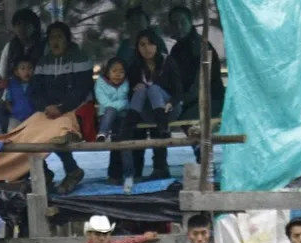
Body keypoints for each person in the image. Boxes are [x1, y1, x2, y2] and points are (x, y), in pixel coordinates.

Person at [33, 22, 94, 194]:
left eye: (59, 37)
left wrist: (61, 108)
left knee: (58, 133)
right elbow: (35, 91)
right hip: (49, 111)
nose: (55, 41)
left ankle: (72, 170)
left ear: (67, 39)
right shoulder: (43, 62)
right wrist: (46, 107)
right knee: (27, 131)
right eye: (52, 37)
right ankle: (43, 173)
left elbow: (81, 90)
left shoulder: (80, 58)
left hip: (75, 109)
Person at [120, 28, 183, 191]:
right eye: (142, 45)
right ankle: (129, 127)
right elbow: (129, 94)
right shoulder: (135, 66)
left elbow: (178, 92)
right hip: (147, 112)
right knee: (141, 90)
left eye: (150, 44)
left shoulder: (168, 61)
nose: (146, 48)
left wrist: (170, 103)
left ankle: (162, 127)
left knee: (154, 89)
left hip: (168, 109)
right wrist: (135, 88)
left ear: (157, 45)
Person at [168, 5, 224, 121]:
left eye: (182, 22)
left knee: (184, 118)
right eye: (174, 23)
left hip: (210, 98)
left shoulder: (200, 46)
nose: (178, 27)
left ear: (190, 22)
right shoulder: (176, 49)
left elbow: (200, 82)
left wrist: (182, 101)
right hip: (190, 100)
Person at [116, 5, 169, 69]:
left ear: (147, 23)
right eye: (132, 20)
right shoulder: (125, 45)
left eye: (138, 20)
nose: (135, 23)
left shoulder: (157, 41)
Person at [0, 8, 44, 80]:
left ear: (35, 27)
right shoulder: (10, 47)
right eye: (18, 24)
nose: (21, 28)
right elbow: (3, 74)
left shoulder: (44, 46)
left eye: (26, 24)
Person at [95, 57, 130, 143]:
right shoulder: (100, 83)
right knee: (110, 110)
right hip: (106, 115)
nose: (117, 75)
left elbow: (128, 101)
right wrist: (119, 105)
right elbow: (104, 102)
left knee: (123, 133)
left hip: (124, 113)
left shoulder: (127, 83)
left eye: (121, 72)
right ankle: (102, 134)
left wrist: (119, 105)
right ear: (107, 72)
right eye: (114, 71)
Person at [5, 56, 36, 129]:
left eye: (30, 68)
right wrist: (14, 111)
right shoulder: (12, 85)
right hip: (16, 118)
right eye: (23, 69)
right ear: (16, 72)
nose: (26, 71)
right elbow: (7, 101)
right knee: (12, 134)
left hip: (33, 118)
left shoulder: (36, 84)